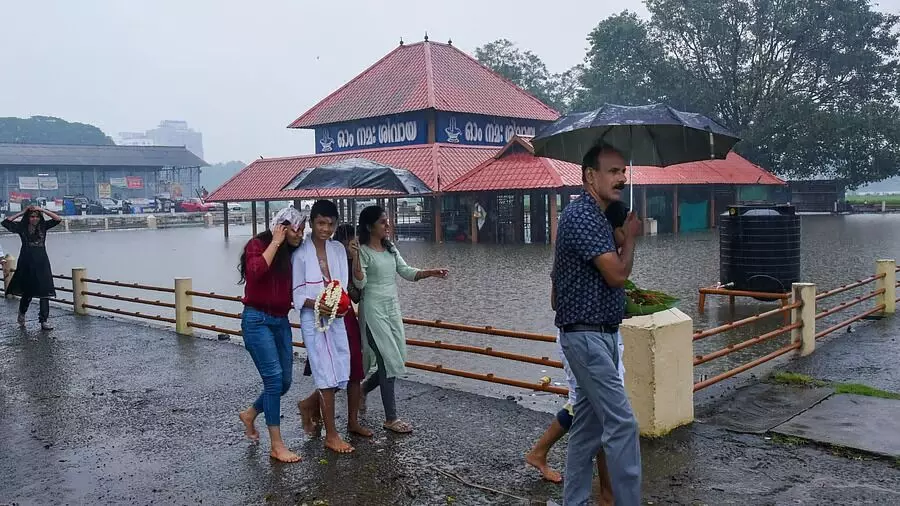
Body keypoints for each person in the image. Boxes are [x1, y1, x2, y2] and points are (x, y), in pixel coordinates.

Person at [553, 144, 642, 505]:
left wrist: (621, 228)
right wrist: (631, 237)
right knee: (623, 424)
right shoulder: (583, 217)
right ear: (590, 175)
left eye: (624, 171)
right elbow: (618, 275)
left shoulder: (598, 217)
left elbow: (556, 292)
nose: (622, 178)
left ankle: (573, 501)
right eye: (613, 171)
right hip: (587, 337)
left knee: (587, 430)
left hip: (598, 333)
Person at [526, 200, 630, 505]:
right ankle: (608, 493)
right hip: (582, 338)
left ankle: (595, 491)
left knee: (591, 413)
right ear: (617, 229)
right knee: (607, 416)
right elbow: (558, 301)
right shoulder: (588, 251)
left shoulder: (604, 253)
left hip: (598, 336)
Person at [353, 205, 448, 434]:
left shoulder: (390, 248)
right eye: (382, 221)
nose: (388, 224)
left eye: (387, 220)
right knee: (387, 360)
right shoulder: (363, 250)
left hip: (391, 308)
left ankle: (363, 389)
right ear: (369, 226)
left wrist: (430, 272)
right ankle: (391, 418)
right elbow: (360, 284)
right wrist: (355, 255)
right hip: (373, 310)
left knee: (396, 358)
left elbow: (405, 271)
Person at [237, 207, 306, 463]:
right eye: (295, 229)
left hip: (280, 321)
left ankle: (251, 413)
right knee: (274, 380)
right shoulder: (257, 245)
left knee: (285, 382)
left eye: (302, 229)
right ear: (281, 227)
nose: (300, 234)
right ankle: (277, 445)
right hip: (257, 320)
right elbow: (255, 272)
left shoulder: (294, 251)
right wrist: (276, 242)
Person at [292, 200, 359, 454]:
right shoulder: (300, 254)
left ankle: (309, 407)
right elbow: (297, 295)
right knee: (323, 370)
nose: (326, 229)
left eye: (331, 224)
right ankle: (331, 435)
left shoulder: (338, 251)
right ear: (311, 222)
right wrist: (318, 303)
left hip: (336, 317)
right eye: (321, 223)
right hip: (314, 318)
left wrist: (337, 304)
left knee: (341, 366)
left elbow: (343, 286)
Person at [299, 223, 372, 441]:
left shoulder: (347, 259)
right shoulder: (315, 259)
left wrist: (355, 257)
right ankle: (312, 408)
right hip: (325, 316)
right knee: (330, 370)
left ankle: (352, 421)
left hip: (346, 314)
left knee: (355, 369)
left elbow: (357, 292)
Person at [2, 206, 62, 330]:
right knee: (28, 291)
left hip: (42, 262)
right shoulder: (22, 228)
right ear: (28, 218)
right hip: (26, 262)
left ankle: (44, 320)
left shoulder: (43, 226)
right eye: (32, 216)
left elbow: (58, 219)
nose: (34, 219)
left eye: (36, 217)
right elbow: (6, 222)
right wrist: (23, 212)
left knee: (44, 292)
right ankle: (22, 313)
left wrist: (42, 210)